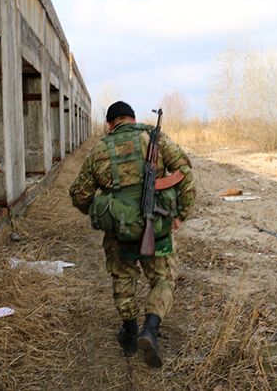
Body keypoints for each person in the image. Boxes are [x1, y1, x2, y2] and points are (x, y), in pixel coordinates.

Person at [69, 101, 195, 367]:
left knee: (123, 278)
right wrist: (180, 215)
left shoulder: (100, 150)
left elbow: (79, 195)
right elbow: (184, 172)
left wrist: (107, 213)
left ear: (109, 124)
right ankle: (150, 329)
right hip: (158, 227)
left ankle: (129, 333)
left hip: (120, 232)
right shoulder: (153, 138)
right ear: (133, 118)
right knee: (162, 278)